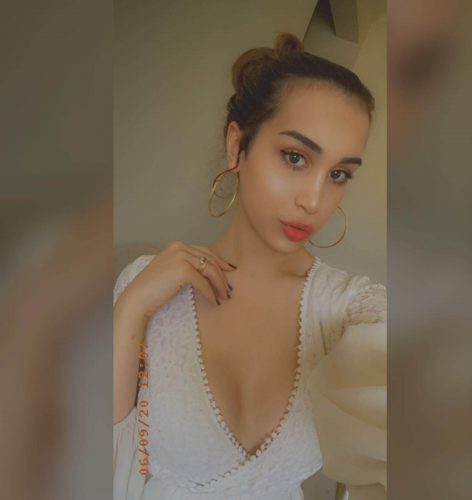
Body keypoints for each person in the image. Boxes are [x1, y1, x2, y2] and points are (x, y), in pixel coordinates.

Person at [113, 33, 387, 500]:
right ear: (236, 145)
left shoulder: (352, 310)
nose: (315, 200)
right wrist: (130, 310)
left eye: (339, 174)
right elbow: (101, 456)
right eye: (295, 158)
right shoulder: (146, 285)